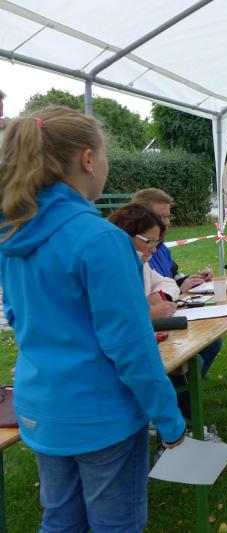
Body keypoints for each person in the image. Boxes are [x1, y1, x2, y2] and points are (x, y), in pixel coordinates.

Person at [0, 106, 185, 531]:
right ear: (87, 159)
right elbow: (131, 347)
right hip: (101, 416)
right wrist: (170, 420)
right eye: (105, 156)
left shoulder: (13, 234)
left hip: (42, 408)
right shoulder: (101, 239)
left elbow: (16, 315)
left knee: (60, 520)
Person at [108, 203, 227, 459]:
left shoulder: (140, 261)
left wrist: (157, 296)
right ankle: (179, 435)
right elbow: (113, 319)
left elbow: (167, 281)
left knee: (203, 348)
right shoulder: (114, 266)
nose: (153, 248)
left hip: (144, 339)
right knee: (179, 367)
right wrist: (148, 312)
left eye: (156, 242)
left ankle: (178, 426)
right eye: (149, 241)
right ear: (125, 234)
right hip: (125, 351)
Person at [131, 188, 223, 381]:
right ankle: (183, 391)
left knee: (213, 341)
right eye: (161, 217)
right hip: (148, 330)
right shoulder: (140, 252)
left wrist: (191, 279)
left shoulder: (158, 247)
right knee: (196, 356)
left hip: (167, 313)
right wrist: (172, 291)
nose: (167, 223)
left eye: (168, 217)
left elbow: (170, 277)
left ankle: (187, 390)